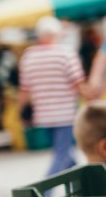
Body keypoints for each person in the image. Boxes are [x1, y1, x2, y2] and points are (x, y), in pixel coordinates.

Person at [18, 16, 89, 177]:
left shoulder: (29, 56)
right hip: (65, 113)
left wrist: (21, 112)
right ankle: (45, 192)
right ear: (56, 34)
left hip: (44, 115)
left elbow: (24, 89)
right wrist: (91, 103)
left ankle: (85, 182)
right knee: (62, 154)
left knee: (66, 154)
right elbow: (78, 83)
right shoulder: (65, 53)